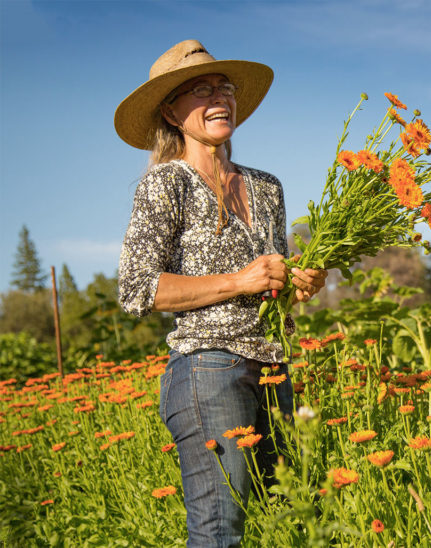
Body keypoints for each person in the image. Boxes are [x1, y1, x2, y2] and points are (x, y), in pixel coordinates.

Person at [115, 40, 327, 547]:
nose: (218, 98)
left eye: (223, 87)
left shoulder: (266, 186)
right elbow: (137, 289)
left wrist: (297, 283)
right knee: (219, 526)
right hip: (209, 369)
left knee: (298, 517)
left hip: (275, 367)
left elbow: (268, 282)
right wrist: (240, 280)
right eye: (200, 90)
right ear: (171, 110)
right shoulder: (166, 184)